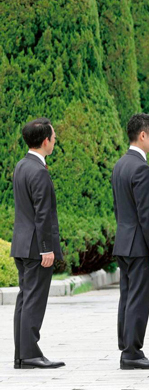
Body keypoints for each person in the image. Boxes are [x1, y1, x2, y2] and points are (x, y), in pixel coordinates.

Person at [112, 113, 149, 370]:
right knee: (138, 298)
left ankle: (127, 347)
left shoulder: (121, 164)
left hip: (123, 241)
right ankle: (133, 352)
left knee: (127, 296)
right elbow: (147, 212)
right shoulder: (141, 168)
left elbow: (119, 209)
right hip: (139, 245)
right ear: (142, 135)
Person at [11, 118, 64, 369]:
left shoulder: (21, 166)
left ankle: (23, 354)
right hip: (36, 247)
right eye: (53, 138)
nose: (55, 141)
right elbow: (42, 214)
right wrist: (47, 248)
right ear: (45, 141)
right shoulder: (39, 171)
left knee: (25, 299)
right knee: (33, 300)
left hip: (21, 244)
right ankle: (29, 354)